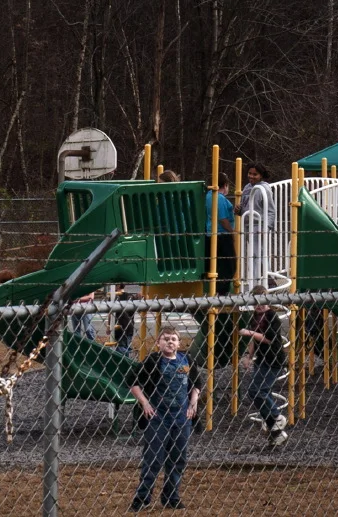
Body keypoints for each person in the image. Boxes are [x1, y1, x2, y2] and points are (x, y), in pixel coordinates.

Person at [128, 325, 201, 511]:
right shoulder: (153, 361)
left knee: (178, 458)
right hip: (158, 417)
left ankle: (171, 496)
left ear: (179, 343)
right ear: (158, 343)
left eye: (173, 339)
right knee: (153, 459)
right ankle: (142, 498)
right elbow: (133, 382)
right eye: (166, 338)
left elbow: (196, 384)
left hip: (181, 417)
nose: (170, 341)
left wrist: (193, 403)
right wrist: (144, 402)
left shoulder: (186, 360)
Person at [237, 274, 290, 447]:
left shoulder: (271, 316)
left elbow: (269, 339)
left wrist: (249, 333)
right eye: (256, 302)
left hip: (274, 359)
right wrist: (248, 356)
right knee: (256, 392)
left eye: (262, 302)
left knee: (259, 390)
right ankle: (275, 429)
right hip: (261, 358)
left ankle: (276, 417)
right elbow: (254, 340)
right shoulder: (254, 316)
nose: (259, 306)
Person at [238, 164, 271, 286]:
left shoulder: (264, 189)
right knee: (252, 253)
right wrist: (239, 210)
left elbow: (271, 210)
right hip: (247, 226)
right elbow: (244, 206)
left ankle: (262, 281)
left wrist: (266, 227)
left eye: (255, 174)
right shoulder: (247, 187)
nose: (251, 176)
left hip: (259, 225)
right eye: (250, 173)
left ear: (261, 176)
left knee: (258, 253)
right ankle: (259, 279)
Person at [208, 180, 235, 293]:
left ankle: (215, 291)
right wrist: (232, 232)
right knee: (229, 266)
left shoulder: (208, 196)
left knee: (216, 266)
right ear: (225, 185)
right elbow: (223, 219)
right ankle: (221, 294)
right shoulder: (219, 198)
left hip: (210, 234)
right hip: (222, 235)